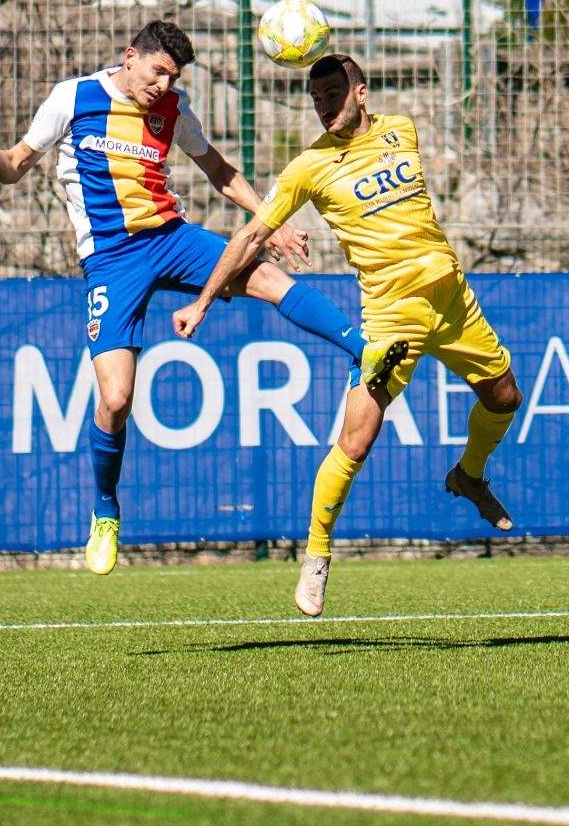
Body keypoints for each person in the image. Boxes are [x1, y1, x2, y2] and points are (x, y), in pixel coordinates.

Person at [0, 23, 405, 576]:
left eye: (172, 76)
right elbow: (14, 167)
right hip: (110, 261)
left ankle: (366, 349)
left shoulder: (173, 107)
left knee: (267, 278)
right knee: (116, 399)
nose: (163, 84)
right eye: (157, 72)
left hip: (171, 238)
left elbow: (218, 170)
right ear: (129, 58)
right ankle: (104, 510)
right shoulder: (74, 97)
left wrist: (275, 225)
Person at [173, 52, 522, 616]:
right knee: (355, 441)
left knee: (505, 396)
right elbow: (249, 236)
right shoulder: (308, 167)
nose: (323, 106)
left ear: (361, 93)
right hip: (392, 317)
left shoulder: (401, 131)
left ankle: (468, 475)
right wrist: (203, 301)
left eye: (334, 93)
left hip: (452, 296)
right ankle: (316, 556)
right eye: (315, 98)